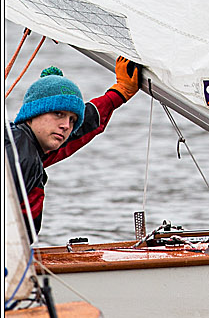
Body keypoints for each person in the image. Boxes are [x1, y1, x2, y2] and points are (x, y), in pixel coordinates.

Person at [6, 60, 139, 234]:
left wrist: (118, 94)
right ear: (32, 114)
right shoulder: (19, 154)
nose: (66, 126)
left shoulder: (29, 145)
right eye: (58, 113)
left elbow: (79, 131)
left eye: (72, 120)